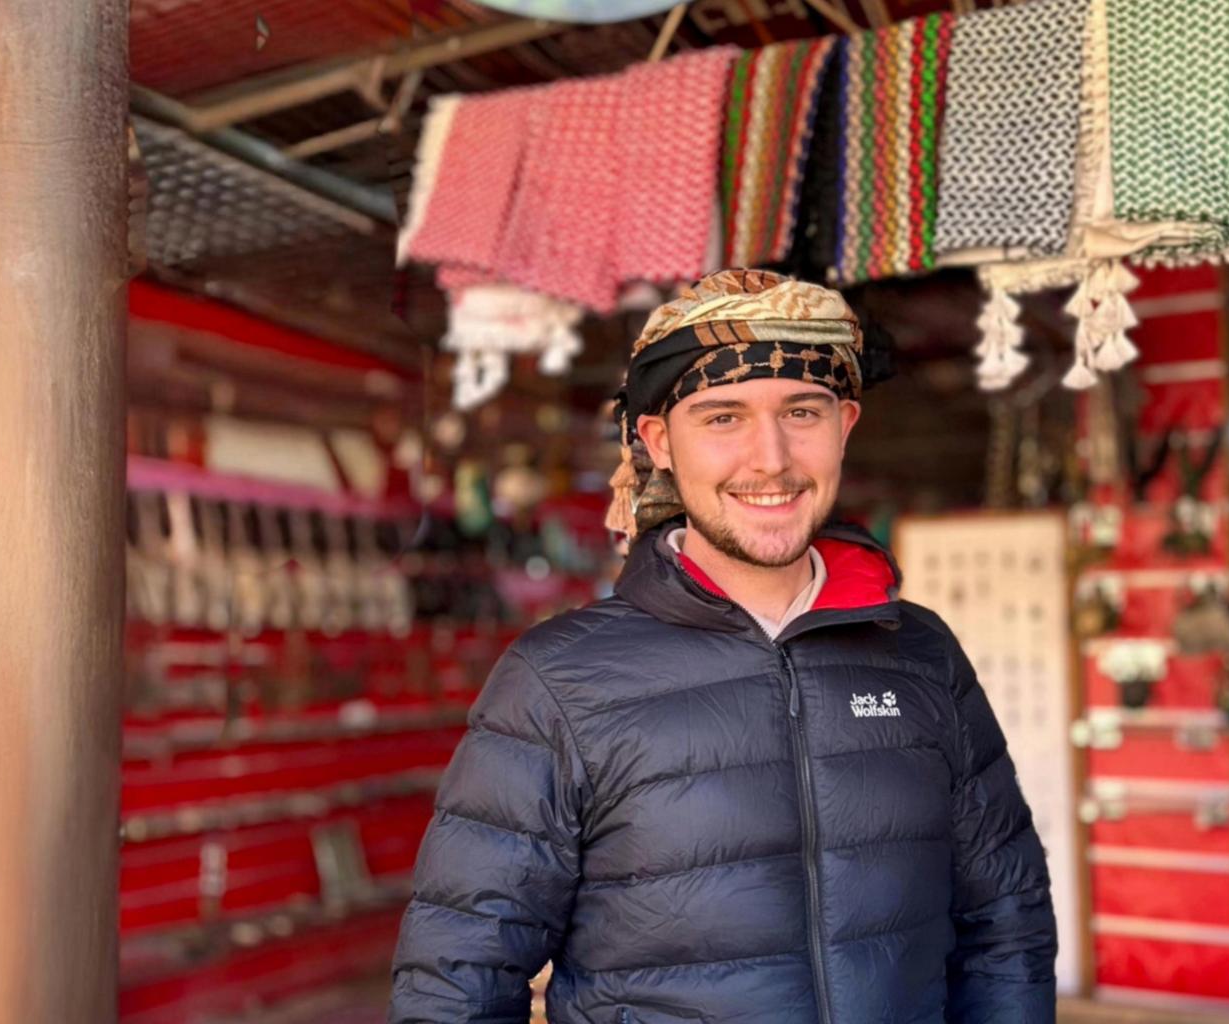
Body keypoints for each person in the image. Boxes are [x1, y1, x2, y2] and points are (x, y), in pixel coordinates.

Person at [390, 270, 1057, 1023]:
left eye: (801, 411)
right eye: (722, 417)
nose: (769, 458)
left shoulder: (920, 653)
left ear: (845, 426)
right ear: (658, 442)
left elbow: (1007, 926)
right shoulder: (555, 682)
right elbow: (455, 987)